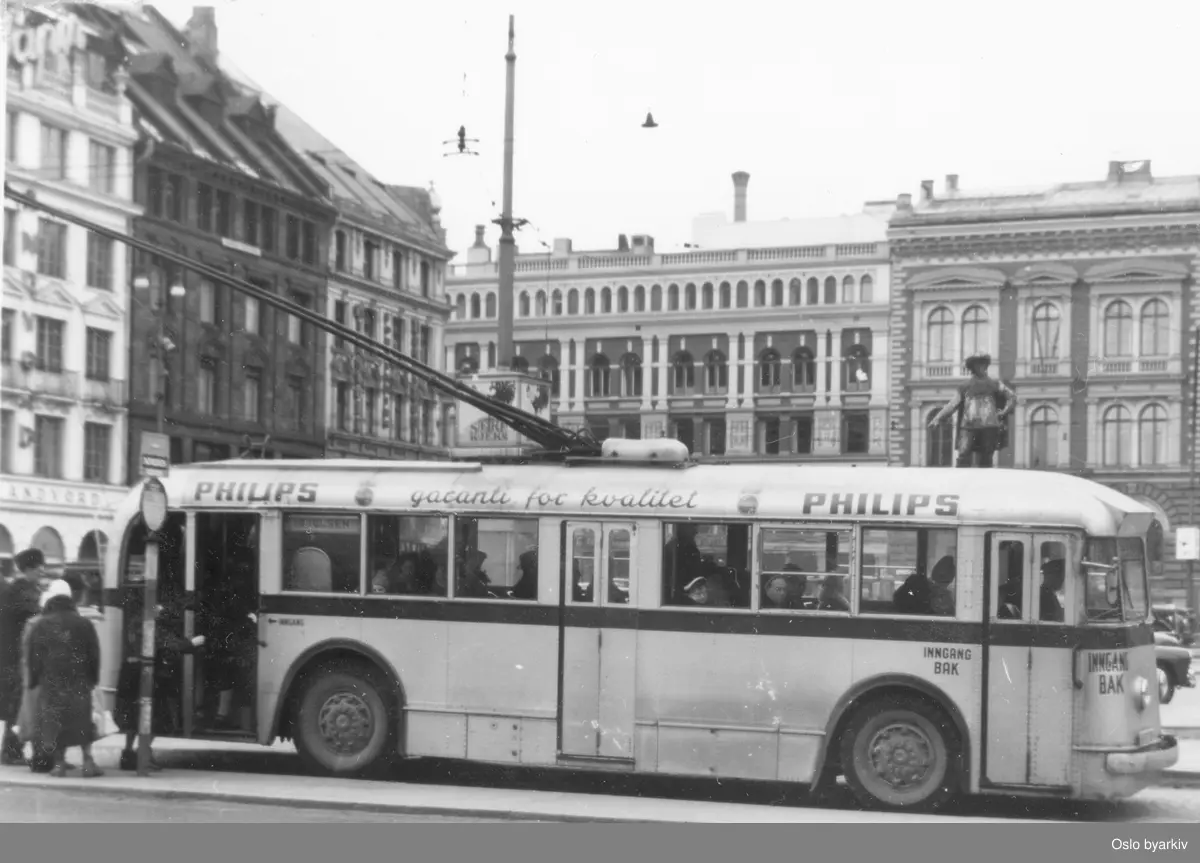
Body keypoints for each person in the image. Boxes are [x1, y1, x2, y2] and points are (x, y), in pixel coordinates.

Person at [114, 592, 205, 770]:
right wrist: (193, 643)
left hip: (130, 675)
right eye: (157, 606)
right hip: (146, 676)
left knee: (134, 719)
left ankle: (128, 754)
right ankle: (144, 756)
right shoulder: (149, 625)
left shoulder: (134, 623)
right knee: (153, 718)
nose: (160, 609)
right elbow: (170, 644)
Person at [24, 573, 103, 778]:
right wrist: (94, 678)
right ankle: (87, 761)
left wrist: (33, 680)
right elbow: (94, 653)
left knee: (55, 721)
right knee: (82, 719)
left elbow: (34, 655)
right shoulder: (84, 624)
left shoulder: (41, 624)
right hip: (79, 680)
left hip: (51, 682)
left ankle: (59, 764)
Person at [928, 352, 1016, 468]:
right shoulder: (965, 386)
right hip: (969, 426)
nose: (982, 367)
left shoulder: (995, 384)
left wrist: (1004, 411)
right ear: (973, 368)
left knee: (986, 458)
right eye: (978, 364)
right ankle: (962, 482)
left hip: (989, 426)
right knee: (963, 455)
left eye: (983, 364)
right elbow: (953, 404)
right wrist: (938, 418)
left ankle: (983, 484)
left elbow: (1012, 397)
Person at [1, 548, 44, 765]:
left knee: (18, 704)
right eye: (37, 568)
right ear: (27, 569)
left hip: (18, 657)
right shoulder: (20, 592)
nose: (41, 571)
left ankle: (13, 749)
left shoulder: (24, 589)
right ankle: (10, 751)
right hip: (16, 658)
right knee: (16, 704)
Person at [1039, 559, 1066, 623]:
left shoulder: (1049, 593)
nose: (1062, 581)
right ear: (1051, 576)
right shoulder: (1044, 596)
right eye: (1061, 577)